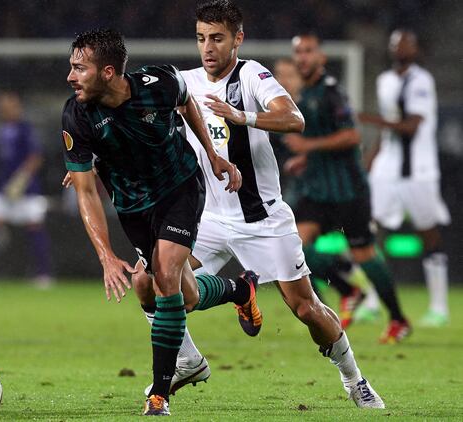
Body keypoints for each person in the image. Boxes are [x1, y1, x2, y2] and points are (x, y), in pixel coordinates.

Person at [130, 0, 383, 409]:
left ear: (237, 39)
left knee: (305, 308)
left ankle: (354, 379)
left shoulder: (252, 75)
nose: (208, 48)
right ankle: (186, 359)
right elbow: (135, 116)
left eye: (217, 38)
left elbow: (293, 117)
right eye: (201, 39)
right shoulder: (185, 82)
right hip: (206, 219)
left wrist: (240, 115)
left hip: (262, 219)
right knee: (146, 280)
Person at [61, 28, 263, 416]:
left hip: (180, 188)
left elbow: (188, 104)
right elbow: (85, 192)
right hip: (134, 207)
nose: (71, 77)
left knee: (166, 276)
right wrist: (105, 255)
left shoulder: (160, 82)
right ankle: (240, 291)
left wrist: (212, 154)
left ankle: (160, 393)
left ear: (107, 72)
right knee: (166, 291)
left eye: (78, 68)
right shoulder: (76, 114)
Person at [286, 32, 410, 343]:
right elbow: (322, 142)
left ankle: (398, 318)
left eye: (308, 51)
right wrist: (306, 157)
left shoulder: (331, 93)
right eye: (298, 51)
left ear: (321, 58)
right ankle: (347, 288)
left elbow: (352, 136)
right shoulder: (306, 95)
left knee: (365, 254)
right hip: (319, 190)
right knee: (293, 246)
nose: (302, 57)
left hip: (348, 190)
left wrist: (308, 145)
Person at [358, 29, 450, 327]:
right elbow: (387, 133)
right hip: (388, 169)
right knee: (370, 230)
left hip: (419, 171)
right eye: (395, 43)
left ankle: (439, 307)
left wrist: (370, 119)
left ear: (416, 48)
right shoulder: (385, 80)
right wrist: (367, 163)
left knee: (428, 234)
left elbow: (411, 126)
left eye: (406, 42)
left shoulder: (421, 80)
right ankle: (372, 301)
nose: (400, 47)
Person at [275, 58, 364, 315]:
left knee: (292, 246)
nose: (282, 81)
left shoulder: (310, 107)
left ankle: (343, 275)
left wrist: (307, 155)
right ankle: (336, 293)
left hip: (327, 188)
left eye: (288, 75)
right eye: (278, 75)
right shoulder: (276, 105)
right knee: (291, 248)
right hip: (299, 186)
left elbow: (347, 139)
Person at [0, 90, 52, 287]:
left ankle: (44, 275)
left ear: (17, 107)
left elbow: (36, 157)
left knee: (35, 228)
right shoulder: (2, 128)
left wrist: (20, 181)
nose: (3, 110)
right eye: (1, 107)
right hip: (2, 188)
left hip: (26, 189)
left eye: (7, 106)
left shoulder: (25, 129)